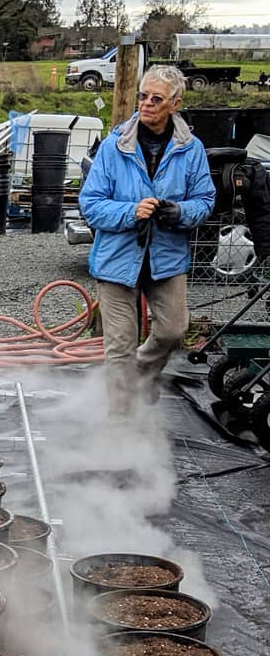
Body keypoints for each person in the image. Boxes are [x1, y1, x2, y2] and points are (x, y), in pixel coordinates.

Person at [79, 63, 215, 416]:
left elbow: (205, 200)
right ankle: (121, 424)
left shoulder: (192, 149)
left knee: (173, 331)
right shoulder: (114, 146)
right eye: (143, 96)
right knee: (119, 346)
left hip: (167, 258)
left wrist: (180, 212)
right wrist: (131, 212)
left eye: (157, 98)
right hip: (117, 259)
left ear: (175, 104)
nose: (147, 103)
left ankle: (142, 374)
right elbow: (90, 204)